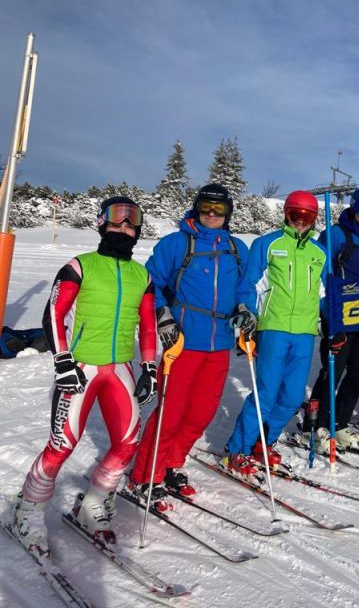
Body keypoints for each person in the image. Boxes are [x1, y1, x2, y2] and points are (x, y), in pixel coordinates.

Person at [14, 197, 156, 550]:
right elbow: (53, 314)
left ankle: (94, 503)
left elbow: (149, 327)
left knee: (127, 443)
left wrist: (150, 367)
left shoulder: (143, 276)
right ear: (100, 223)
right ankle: (27, 510)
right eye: (116, 220)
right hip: (80, 367)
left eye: (131, 222)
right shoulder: (80, 266)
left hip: (120, 367)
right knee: (62, 444)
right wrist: (62, 360)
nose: (124, 228)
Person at [127, 184, 249, 505]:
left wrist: (245, 309)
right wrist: (162, 314)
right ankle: (145, 474)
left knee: (201, 413)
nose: (211, 214)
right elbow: (150, 285)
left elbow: (246, 289)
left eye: (219, 210)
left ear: (228, 214)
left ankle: (170, 464)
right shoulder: (176, 244)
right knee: (171, 412)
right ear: (196, 208)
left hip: (220, 344)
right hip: (181, 343)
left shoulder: (237, 249)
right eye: (206, 207)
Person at [220, 191, 326, 475]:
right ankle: (237, 449)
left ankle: (263, 441)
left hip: (304, 333)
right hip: (274, 328)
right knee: (266, 392)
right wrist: (247, 313)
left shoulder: (319, 253)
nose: (300, 223)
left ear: (314, 220)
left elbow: (324, 293)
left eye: (307, 218)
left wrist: (332, 323)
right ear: (286, 215)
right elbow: (248, 284)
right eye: (295, 216)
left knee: (292, 397)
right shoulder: (267, 244)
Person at [302, 186, 359, 452]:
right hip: (339, 315)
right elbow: (321, 278)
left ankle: (340, 421)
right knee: (332, 372)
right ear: (353, 206)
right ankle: (315, 426)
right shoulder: (334, 234)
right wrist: (327, 313)